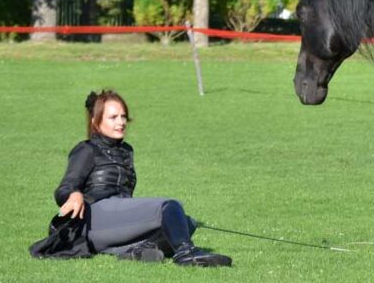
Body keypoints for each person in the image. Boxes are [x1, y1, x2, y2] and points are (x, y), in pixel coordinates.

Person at [30, 90, 232, 266]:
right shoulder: (86, 149)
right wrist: (74, 195)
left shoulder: (126, 151)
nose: (121, 122)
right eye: (113, 117)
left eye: (123, 116)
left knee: (186, 223)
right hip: (95, 218)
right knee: (170, 206)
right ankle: (186, 254)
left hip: (113, 221)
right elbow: (65, 187)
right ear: (95, 121)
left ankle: (137, 252)